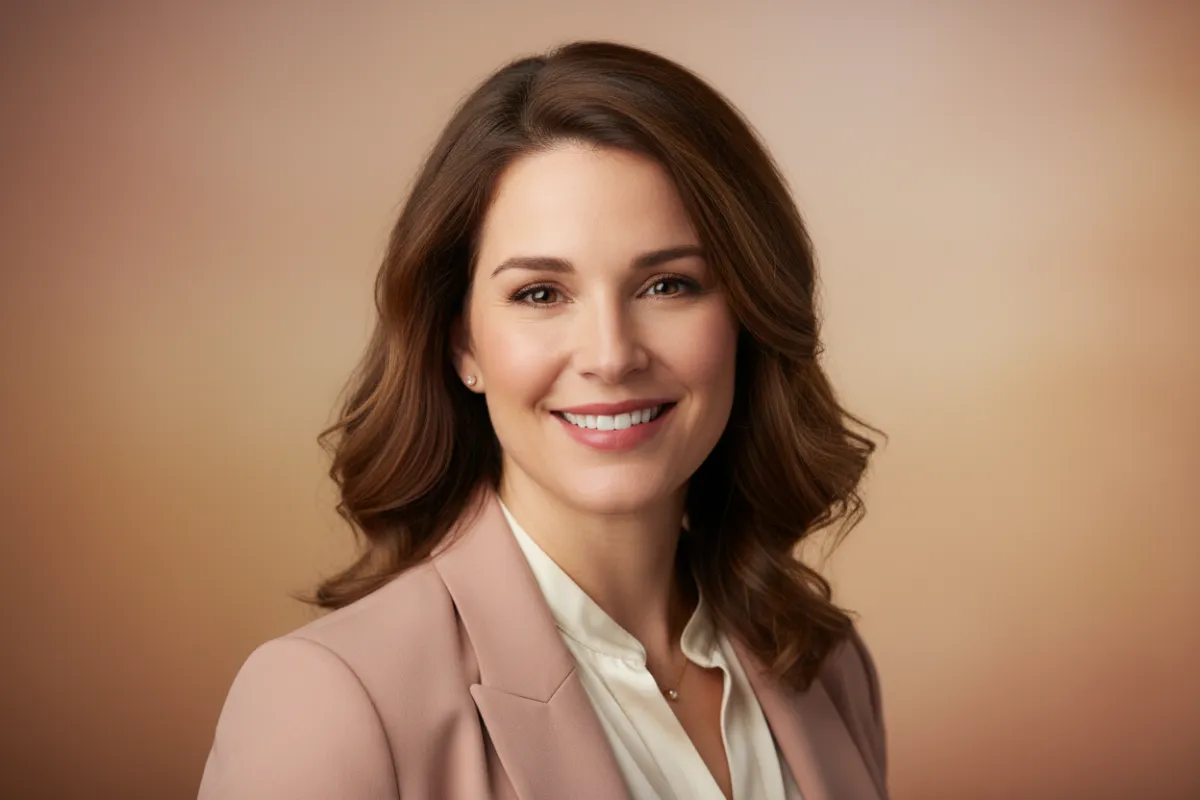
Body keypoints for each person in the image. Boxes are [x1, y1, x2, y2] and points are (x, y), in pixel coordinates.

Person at [198, 40, 887, 800]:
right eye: (540, 294)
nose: (611, 356)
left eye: (667, 284)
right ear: (462, 344)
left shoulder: (827, 667)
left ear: (747, 317)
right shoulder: (328, 702)